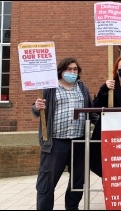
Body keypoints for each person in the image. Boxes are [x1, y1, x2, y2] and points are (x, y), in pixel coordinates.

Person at [31, 57, 98, 210]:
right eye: (69, 69)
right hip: (55, 142)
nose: (72, 72)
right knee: (47, 181)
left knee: (77, 181)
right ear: (61, 71)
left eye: (75, 69)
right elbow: (36, 110)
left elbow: (91, 111)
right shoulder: (49, 88)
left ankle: (72, 207)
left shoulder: (82, 88)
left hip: (79, 141)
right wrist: (37, 106)